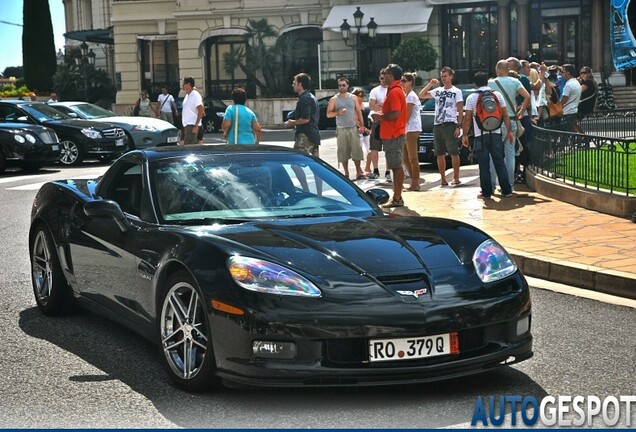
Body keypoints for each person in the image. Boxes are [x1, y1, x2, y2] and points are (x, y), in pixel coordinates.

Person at [462, 72, 514, 199]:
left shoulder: (471, 98)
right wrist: (509, 131)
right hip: (496, 133)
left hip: (480, 135)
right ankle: (506, 190)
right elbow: (505, 115)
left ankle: (486, 193)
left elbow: (467, 118)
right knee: (499, 162)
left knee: (483, 165)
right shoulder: (497, 95)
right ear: (487, 81)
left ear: (475, 83)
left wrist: (464, 135)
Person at [488, 59, 531, 192]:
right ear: (508, 70)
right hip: (511, 120)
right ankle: (510, 185)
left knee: (494, 154)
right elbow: (527, 96)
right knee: (510, 154)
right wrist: (521, 110)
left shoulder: (490, 83)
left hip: (495, 121)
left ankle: (492, 184)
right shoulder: (515, 82)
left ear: (497, 70)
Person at [419, 66, 464, 186]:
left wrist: (458, 126)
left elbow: (460, 109)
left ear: (451, 76)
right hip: (438, 124)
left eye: (445, 76)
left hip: (450, 123)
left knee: (453, 151)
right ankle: (443, 179)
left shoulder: (456, 91)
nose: (443, 78)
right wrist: (430, 84)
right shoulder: (438, 91)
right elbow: (422, 95)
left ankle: (456, 177)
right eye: (442, 76)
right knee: (439, 153)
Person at [372, 64, 407, 208]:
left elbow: (396, 113)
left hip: (393, 134)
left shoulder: (394, 92)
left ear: (391, 76)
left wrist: (379, 117)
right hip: (394, 133)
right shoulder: (395, 90)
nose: (383, 76)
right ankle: (397, 196)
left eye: (385, 74)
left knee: (396, 166)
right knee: (395, 165)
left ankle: (397, 198)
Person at [327, 78, 366, 179]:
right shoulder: (334, 99)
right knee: (343, 151)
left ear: (347, 86)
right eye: (339, 85)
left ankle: (359, 172)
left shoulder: (353, 98)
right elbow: (328, 114)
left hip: (353, 127)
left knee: (357, 150)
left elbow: (358, 111)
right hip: (341, 128)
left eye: (343, 85)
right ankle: (346, 173)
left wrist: (362, 125)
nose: (341, 87)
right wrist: (337, 113)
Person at [401, 72, 422, 191]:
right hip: (407, 129)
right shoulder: (406, 95)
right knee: (405, 158)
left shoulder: (411, 96)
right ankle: (414, 182)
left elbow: (407, 115)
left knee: (413, 158)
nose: (402, 83)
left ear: (410, 82)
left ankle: (415, 183)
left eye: (404, 81)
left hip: (412, 129)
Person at [368, 71, 390, 181]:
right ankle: (375, 170)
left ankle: (388, 172)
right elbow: (371, 105)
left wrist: (381, 106)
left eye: (384, 78)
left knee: (388, 148)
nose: (383, 80)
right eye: (381, 78)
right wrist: (381, 106)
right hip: (376, 121)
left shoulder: (392, 90)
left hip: (388, 121)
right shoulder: (375, 90)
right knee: (374, 147)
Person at [181, 76, 204, 145]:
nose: (182, 86)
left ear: (188, 85)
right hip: (188, 125)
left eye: (184, 84)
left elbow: (201, 110)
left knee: (189, 148)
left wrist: (196, 125)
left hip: (192, 125)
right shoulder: (188, 95)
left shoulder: (195, 95)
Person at [574, 66, 598, 133]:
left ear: (589, 74)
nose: (582, 75)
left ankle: (583, 136)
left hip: (585, 106)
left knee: (572, 121)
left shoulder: (588, 82)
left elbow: (578, 90)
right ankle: (579, 136)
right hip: (584, 104)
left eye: (584, 73)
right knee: (573, 122)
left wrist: (577, 83)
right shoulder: (586, 82)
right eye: (581, 73)